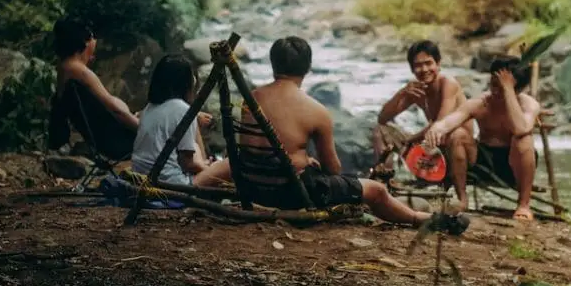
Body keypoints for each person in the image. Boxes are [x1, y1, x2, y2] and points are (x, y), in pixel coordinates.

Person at [196, 36, 469, 235]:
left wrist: (299, 158)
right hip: (289, 192)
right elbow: (333, 169)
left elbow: (258, 146)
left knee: (228, 163)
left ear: (272, 64)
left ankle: (190, 186)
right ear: (308, 68)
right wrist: (308, 162)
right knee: (375, 190)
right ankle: (420, 219)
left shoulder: (250, 98)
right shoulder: (315, 110)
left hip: (251, 182)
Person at [423, 56, 546, 220]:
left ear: (518, 90)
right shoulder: (482, 102)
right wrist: (437, 128)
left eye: (500, 88)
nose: (495, 91)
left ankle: (523, 205)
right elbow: (453, 119)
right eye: (493, 84)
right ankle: (462, 198)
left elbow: (520, 128)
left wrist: (508, 89)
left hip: (515, 163)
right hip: (483, 160)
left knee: (523, 139)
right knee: (458, 134)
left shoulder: (529, 104)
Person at [372, 41, 476, 195]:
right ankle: (385, 180)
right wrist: (402, 93)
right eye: (418, 65)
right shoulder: (418, 89)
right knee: (380, 131)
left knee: (452, 134)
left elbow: (441, 124)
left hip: (457, 148)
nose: (424, 69)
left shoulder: (448, 83)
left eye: (429, 63)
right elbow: (383, 118)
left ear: (438, 63)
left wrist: (411, 139)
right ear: (412, 69)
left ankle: (456, 192)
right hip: (432, 146)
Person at [48, 18, 138, 156]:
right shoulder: (80, 71)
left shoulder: (64, 68)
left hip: (102, 140)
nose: (95, 41)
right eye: (92, 37)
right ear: (85, 41)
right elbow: (115, 109)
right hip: (118, 142)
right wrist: (141, 127)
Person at [131, 53, 215, 184]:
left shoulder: (149, 108)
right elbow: (187, 164)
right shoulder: (183, 110)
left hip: (141, 178)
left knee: (193, 146)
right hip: (171, 184)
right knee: (228, 166)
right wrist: (207, 169)